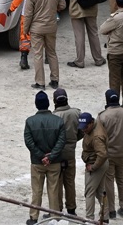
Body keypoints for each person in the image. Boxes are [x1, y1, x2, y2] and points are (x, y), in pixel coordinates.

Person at [23, 90, 66, 225]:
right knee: (53, 190)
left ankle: (33, 216)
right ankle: (55, 217)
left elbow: (29, 142)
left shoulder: (30, 121)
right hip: (54, 162)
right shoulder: (58, 121)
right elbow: (61, 141)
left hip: (37, 162)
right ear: (48, 104)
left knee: (37, 190)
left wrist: (41, 156)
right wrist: (51, 156)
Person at [24, 0, 65, 89]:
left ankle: (40, 82)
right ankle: (55, 80)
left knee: (38, 55)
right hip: (51, 26)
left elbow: (28, 14)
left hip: (37, 28)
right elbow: (62, 5)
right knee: (52, 53)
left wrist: (25, 30)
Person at [98, 89, 123, 218]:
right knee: (122, 181)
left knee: (109, 182)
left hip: (109, 155)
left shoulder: (103, 116)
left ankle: (111, 210)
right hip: (122, 153)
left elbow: (99, 139)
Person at [53, 88, 82, 216]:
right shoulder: (76, 113)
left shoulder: (53, 116)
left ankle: (57, 209)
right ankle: (71, 208)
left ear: (54, 101)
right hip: (70, 152)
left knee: (57, 182)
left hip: (57, 154)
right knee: (70, 181)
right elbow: (81, 131)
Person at [78, 112, 111, 223]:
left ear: (91, 123)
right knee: (100, 192)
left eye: (86, 127)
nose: (84, 130)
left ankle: (89, 218)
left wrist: (94, 167)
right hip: (100, 164)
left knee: (89, 192)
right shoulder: (95, 126)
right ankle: (105, 216)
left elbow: (102, 154)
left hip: (95, 165)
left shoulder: (96, 136)